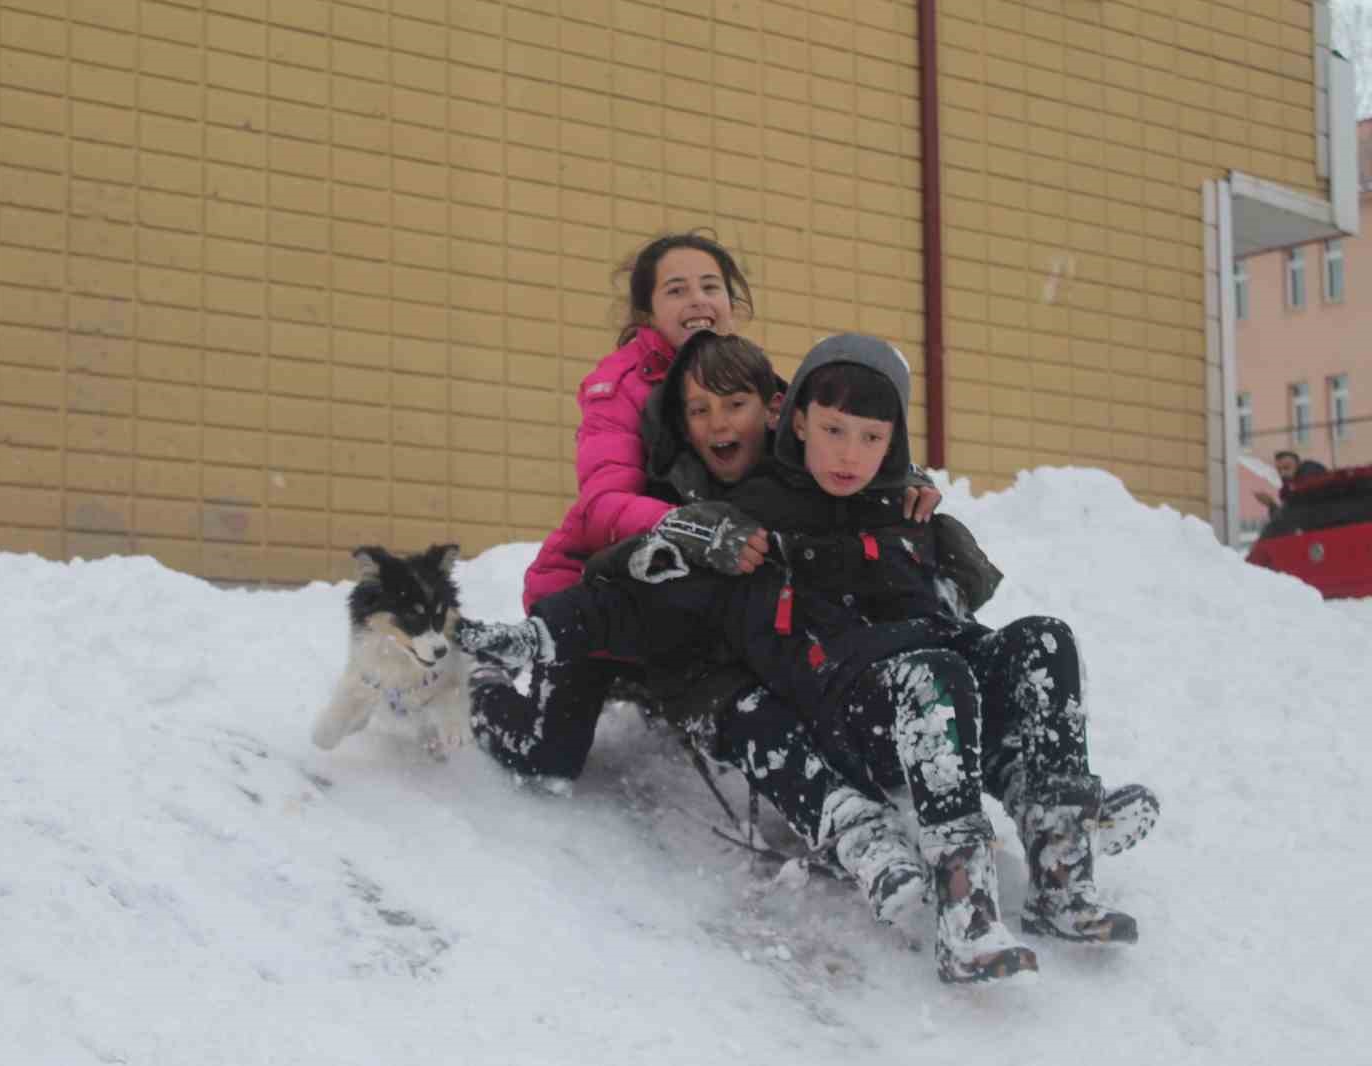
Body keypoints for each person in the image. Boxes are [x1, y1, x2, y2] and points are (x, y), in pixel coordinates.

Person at [462, 332, 1146, 984]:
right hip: (853, 708)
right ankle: (965, 916)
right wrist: (540, 634)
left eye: (872, 438)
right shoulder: (751, 519)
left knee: (1044, 639)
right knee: (934, 676)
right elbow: (644, 591)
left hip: (940, 682)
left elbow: (955, 607)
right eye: (833, 431)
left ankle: (1061, 871)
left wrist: (930, 530)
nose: (850, 453)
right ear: (796, 423)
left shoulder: (901, 509)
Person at [468, 232, 944, 925]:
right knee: (549, 758)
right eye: (676, 288)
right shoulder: (620, 388)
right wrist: (690, 526)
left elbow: (837, 439)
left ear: (733, 301)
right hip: (601, 584)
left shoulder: (755, 380)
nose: (698, 299)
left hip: (710, 586)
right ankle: (485, 684)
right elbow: (602, 506)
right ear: (645, 312)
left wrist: (901, 481)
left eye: (711, 285)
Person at [1255, 449, 1330, 514]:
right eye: (1279, 470)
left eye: (1287, 468)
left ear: (1298, 465)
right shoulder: (1288, 488)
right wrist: (1271, 505)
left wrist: (1272, 505)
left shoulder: (1309, 477)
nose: (1282, 473)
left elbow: (1290, 518)